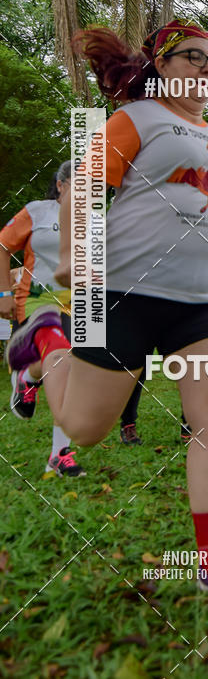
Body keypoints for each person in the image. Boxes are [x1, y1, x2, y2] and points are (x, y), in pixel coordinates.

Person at [6, 18, 208, 602]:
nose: (206, 68)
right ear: (160, 66)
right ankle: (46, 343)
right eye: (191, 57)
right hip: (125, 292)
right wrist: (77, 257)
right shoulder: (136, 120)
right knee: (85, 428)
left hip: (201, 303)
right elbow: (81, 189)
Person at [0, 162, 86, 476]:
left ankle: (27, 377)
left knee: (73, 369)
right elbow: (2, 245)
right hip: (37, 303)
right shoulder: (38, 211)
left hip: (76, 307)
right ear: (61, 184)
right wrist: (3, 294)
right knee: (61, 357)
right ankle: (61, 454)